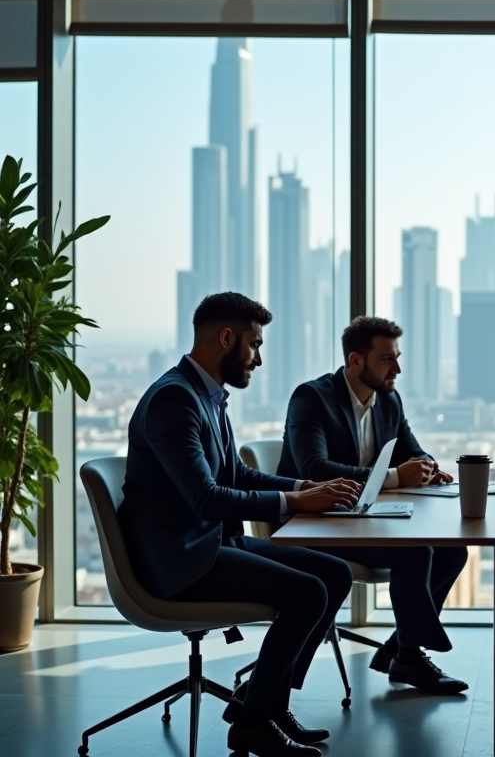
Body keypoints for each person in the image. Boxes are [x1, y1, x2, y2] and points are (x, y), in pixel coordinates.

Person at [119, 293, 362, 757]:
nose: (260, 358)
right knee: (308, 594)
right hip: (181, 561)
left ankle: (265, 701)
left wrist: (306, 486)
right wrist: (296, 500)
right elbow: (207, 498)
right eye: (255, 345)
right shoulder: (174, 400)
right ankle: (253, 722)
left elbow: (238, 477)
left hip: (211, 543)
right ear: (226, 339)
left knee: (335, 573)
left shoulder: (206, 397)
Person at [278, 316, 470, 695]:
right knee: (415, 554)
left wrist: (428, 466)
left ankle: (401, 650)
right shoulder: (311, 398)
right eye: (387, 359)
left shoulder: (388, 399)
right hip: (314, 521)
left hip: (363, 519)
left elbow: (411, 449)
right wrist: (399, 476)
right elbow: (314, 468)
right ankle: (409, 659)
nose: (397, 368)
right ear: (355, 361)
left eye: (397, 357)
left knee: (453, 551)